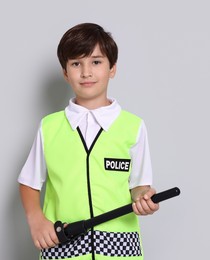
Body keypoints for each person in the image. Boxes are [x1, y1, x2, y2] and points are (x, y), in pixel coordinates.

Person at [18, 22, 159, 260]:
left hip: (120, 252)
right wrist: (36, 220)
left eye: (96, 62)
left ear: (112, 68)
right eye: (76, 64)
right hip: (64, 249)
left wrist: (143, 198)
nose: (86, 72)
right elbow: (28, 182)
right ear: (65, 72)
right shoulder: (49, 127)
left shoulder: (133, 126)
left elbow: (139, 185)